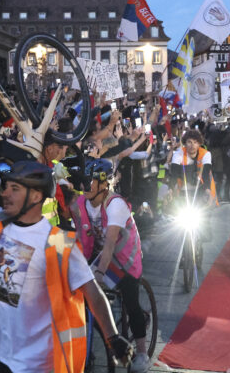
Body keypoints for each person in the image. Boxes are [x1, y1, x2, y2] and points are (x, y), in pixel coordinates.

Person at [0, 133, 131, 372]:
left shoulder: (59, 242)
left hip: (37, 366)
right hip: (0, 357)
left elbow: (92, 292)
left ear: (35, 196)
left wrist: (113, 338)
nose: (4, 193)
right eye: (6, 187)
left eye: (14, 189)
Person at [69, 159, 150, 373]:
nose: (86, 186)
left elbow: (111, 245)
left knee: (131, 300)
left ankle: (142, 353)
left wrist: (99, 273)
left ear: (104, 184)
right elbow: (79, 236)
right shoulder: (81, 203)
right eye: (84, 181)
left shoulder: (115, 204)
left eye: (91, 181)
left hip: (123, 258)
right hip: (98, 254)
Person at [169, 129, 216, 206]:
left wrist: (207, 188)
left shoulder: (206, 154)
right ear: (185, 143)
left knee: (205, 210)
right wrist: (170, 188)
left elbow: (206, 173)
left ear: (199, 144)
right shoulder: (178, 153)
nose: (192, 145)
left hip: (201, 187)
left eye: (195, 142)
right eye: (189, 142)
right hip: (183, 189)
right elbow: (174, 173)